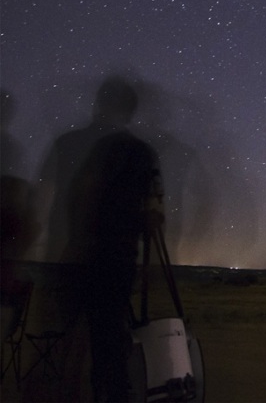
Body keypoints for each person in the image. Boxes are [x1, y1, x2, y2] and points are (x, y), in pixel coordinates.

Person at [37, 75, 162, 401]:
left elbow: (49, 195)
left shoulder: (67, 143)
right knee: (108, 351)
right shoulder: (141, 152)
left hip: (67, 260)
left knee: (55, 348)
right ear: (130, 111)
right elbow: (153, 218)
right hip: (115, 262)